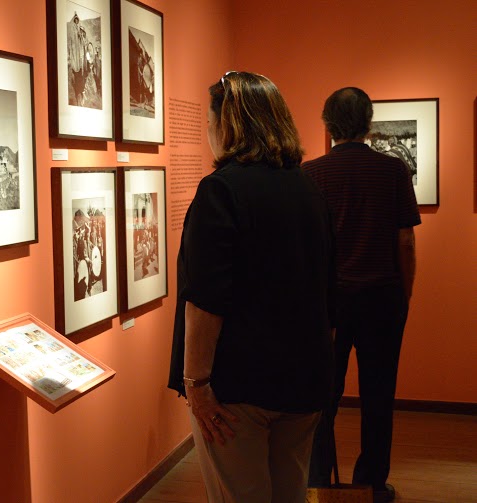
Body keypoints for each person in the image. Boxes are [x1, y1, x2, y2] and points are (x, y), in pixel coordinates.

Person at [168, 71, 335, 503]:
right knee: (289, 493)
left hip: (237, 387)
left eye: (210, 123)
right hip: (304, 379)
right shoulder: (306, 187)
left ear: (226, 125)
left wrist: (196, 384)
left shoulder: (220, 191)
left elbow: (205, 299)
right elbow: (325, 286)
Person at [302, 87, 420, 503]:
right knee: (378, 397)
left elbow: (308, 248)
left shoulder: (311, 173)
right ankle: (371, 484)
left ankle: (319, 480)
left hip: (329, 304)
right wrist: (404, 296)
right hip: (381, 298)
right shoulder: (393, 171)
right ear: (368, 123)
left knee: (322, 396)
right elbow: (405, 242)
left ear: (327, 123)